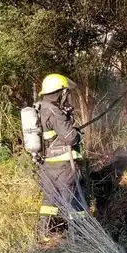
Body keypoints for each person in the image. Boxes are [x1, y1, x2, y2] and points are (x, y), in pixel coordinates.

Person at [32, 73, 88, 243]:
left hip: (47, 165)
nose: (66, 95)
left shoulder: (40, 107)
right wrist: (77, 133)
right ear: (60, 92)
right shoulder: (54, 111)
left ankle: (42, 233)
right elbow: (70, 137)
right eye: (65, 92)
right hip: (63, 165)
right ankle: (78, 237)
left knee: (50, 199)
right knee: (73, 199)